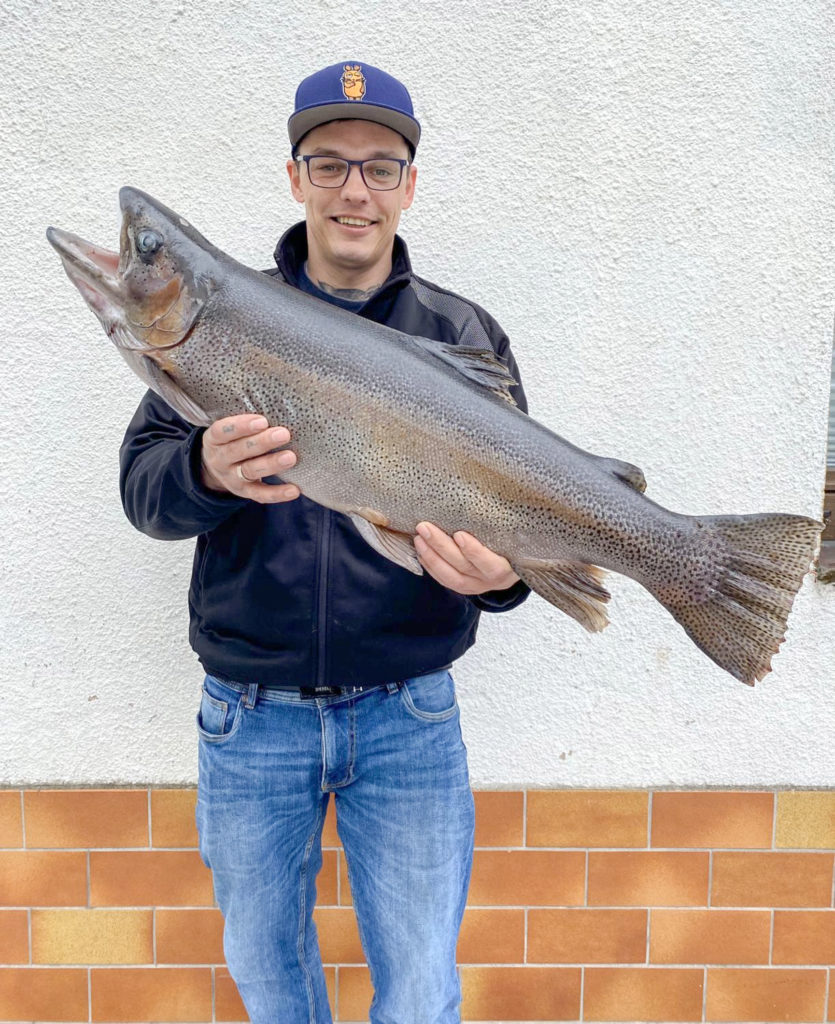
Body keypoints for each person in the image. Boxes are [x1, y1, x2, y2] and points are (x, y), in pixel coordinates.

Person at [120, 60, 529, 1024]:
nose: (356, 189)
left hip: (410, 716)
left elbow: (520, 506)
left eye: (381, 166)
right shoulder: (225, 320)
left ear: (409, 185)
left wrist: (505, 579)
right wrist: (205, 473)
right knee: (270, 983)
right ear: (295, 176)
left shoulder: (463, 333)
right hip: (250, 716)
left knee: (423, 988)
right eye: (331, 162)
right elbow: (145, 496)